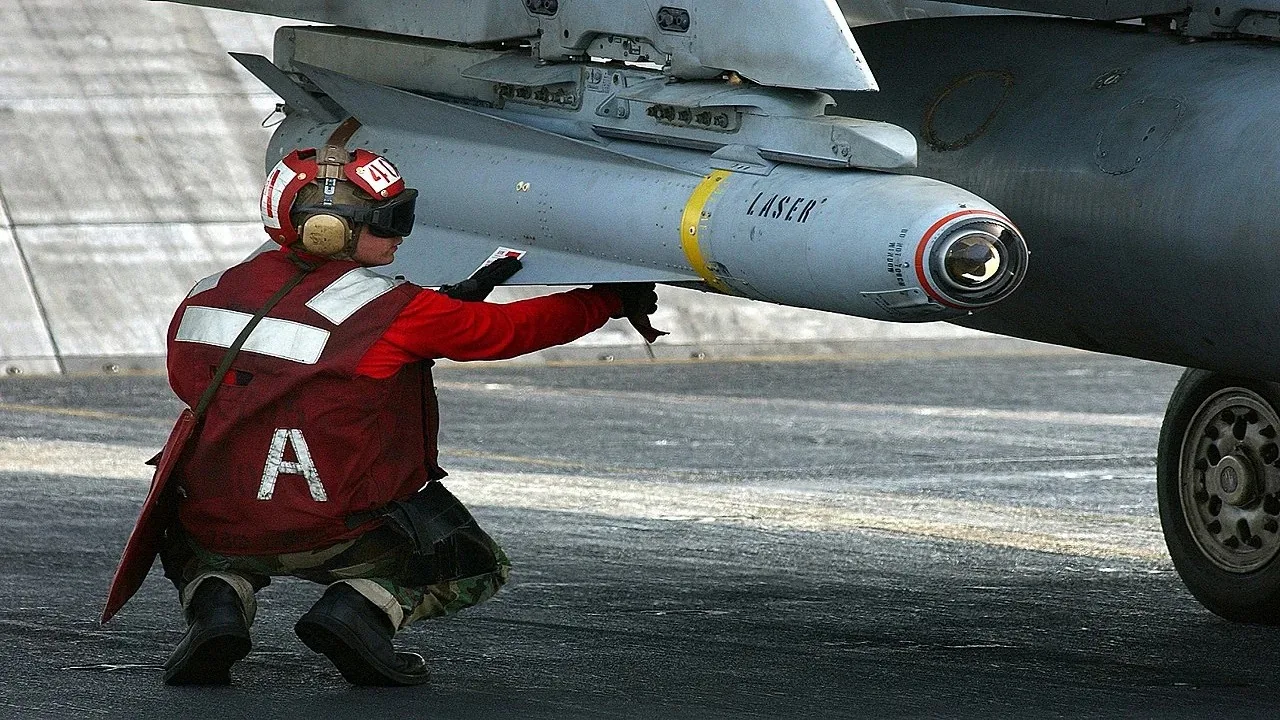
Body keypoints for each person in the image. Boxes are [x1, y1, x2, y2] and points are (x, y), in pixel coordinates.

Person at [155, 142, 657, 686]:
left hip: (218, 522)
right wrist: (605, 299)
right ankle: (359, 609)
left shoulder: (206, 295)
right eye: (388, 221)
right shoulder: (397, 312)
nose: (401, 235)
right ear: (328, 229)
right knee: (474, 561)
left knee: (195, 531)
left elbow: (209, 370)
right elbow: (511, 332)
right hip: (334, 528)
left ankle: (217, 605)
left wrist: (451, 300)